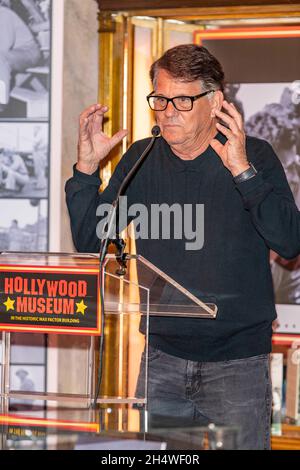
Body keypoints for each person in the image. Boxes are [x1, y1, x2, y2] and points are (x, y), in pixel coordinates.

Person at [65, 44, 300, 450]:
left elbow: (289, 241)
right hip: (162, 360)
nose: (167, 111)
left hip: (237, 364)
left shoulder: (252, 155)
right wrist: (87, 172)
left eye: (182, 100)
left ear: (214, 102)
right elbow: (93, 242)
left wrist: (242, 172)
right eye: (160, 99)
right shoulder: (142, 157)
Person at [0, 2, 41, 111]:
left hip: (28, 52)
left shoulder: (3, 14)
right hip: (12, 52)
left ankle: (1, 103)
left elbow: (3, 47)